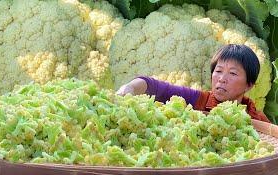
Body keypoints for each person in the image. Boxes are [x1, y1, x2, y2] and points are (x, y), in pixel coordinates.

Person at [116, 44, 270, 123]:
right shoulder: (196, 101)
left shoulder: (258, 120)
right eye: (218, 71)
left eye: (232, 73)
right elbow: (153, 86)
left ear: (249, 85)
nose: (222, 78)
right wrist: (129, 88)